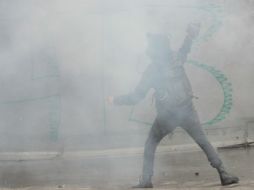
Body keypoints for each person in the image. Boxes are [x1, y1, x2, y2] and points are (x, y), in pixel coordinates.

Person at [107, 23, 239, 188]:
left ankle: (146, 180)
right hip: (187, 110)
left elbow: (136, 97)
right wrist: (190, 35)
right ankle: (224, 174)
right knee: (203, 141)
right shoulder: (176, 58)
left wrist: (115, 100)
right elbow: (185, 49)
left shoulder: (152, 70)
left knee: (150, 144)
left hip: (167, 116)